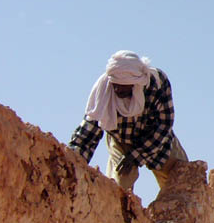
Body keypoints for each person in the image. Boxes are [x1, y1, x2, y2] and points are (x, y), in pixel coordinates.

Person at [67, 50, 188, 192]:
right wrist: (72, 160)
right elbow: (89, 130)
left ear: (136, 83)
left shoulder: (157, 83)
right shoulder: (105, 91)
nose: (117, 89)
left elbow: (164, 124)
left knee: (183, 180)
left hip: (155, 140)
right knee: (118, 188)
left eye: (122, 85)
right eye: (115, 84)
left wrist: (137, 155)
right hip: (121, 140)